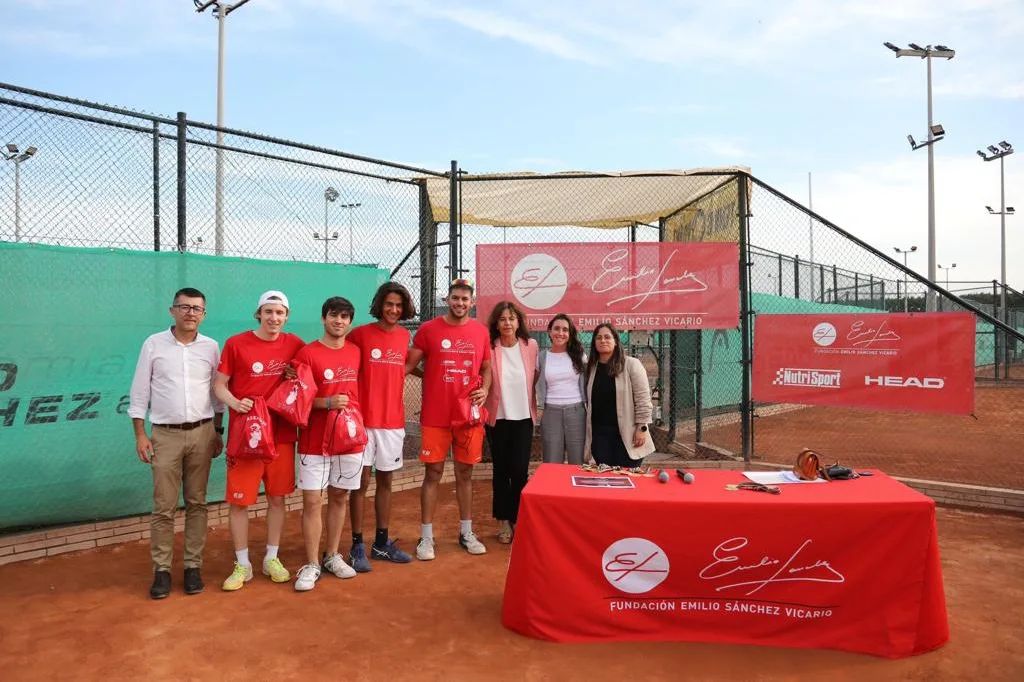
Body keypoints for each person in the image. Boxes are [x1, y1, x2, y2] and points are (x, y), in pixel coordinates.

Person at [129, 287, 225, 599]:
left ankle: (192, 567)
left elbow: (217, 392)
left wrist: (218, 432)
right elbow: (140, 392)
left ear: (204, 314)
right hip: (164, 435)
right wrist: (140, 434)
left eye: (196, 308)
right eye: (184, 307)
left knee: (197, 502)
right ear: (172, 311)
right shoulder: (153, 344)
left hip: (203, 433)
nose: (190, 313)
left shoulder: (211, 347)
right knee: (164, 507)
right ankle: (162, 571)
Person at [214, 290, 304, 591]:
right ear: (259, 314)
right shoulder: (236, 343)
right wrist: (235, 402)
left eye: (279, 313)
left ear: (286, 316)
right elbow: (219, 385)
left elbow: (307, 375)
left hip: (280, 437)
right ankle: (243, 564)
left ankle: (271, 558)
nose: (273, 318)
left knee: (277, 498)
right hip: (246, 439)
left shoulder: (294, 344)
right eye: (268, 312)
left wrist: (296, 373)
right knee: (239, 503)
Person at [405, 278, 492, 560]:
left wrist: (486, 389)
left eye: (465, 299)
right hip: (435, 417)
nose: (460, 303)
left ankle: (466, 532)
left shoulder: (480, 332)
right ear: (448, 299)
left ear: (473, 302)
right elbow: (409, 364)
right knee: (433, 473)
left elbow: (487, 367)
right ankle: (426, 537)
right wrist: (426, 376)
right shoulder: (429, 329)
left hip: (467, 417)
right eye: (455, 298)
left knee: (465, 473)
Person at [291, 297, 363, 591]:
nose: (339, 321)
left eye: (345, 317)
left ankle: (332, 555)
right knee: (312, 501)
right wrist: (327, 402)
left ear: (350, 322)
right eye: (334, 315)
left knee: (340, 496)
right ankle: (311, 564)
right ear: (324, 318)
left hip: (348, 440)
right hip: (313, 441)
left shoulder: (356, 352)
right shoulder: (307, 353)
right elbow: (297, 398)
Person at [345, 282, 416, 571]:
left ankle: (381, 544)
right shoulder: (360, 335)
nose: (394, 310)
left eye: (399, 305)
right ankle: (357, 544)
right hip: (362, 421)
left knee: (386, 482)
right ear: (380, 305)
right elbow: (340, 360)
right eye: (389, 304)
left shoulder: (403, 336)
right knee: (359, 484)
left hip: (392, 423)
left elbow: (406, 366)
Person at [482, 301, 538, 545]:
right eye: (502, 319)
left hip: (524, 417)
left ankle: (518, 518)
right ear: (496, 323)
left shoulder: (531, 346)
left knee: (520, 471)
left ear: (519, 322)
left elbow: (535, 377)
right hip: (498, 418)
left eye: (511, 319)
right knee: (501, 470)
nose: (507, 323)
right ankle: (504, 520)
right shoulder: (489, 348)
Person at [584, 323, 656, 467]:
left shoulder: (631, 365)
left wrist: (642, 428)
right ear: (594, 343)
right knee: (605, 479)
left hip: (627, 435)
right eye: (598, 338)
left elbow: (643, 399)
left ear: (616, 341)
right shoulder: (591, 368)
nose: (603, 340)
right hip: (600, 436)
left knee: (627, 478)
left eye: (607, 337)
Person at [537, 314, 587, 465]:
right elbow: (535, 383)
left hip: (577, 412)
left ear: (570, 334)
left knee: (577, 461)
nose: (560, 333)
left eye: (565, 330)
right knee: (552, 462)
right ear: (549, 332)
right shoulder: (542, 357)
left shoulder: (580, 356)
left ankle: (576, 490)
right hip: (551, 413)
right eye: (557, 328)